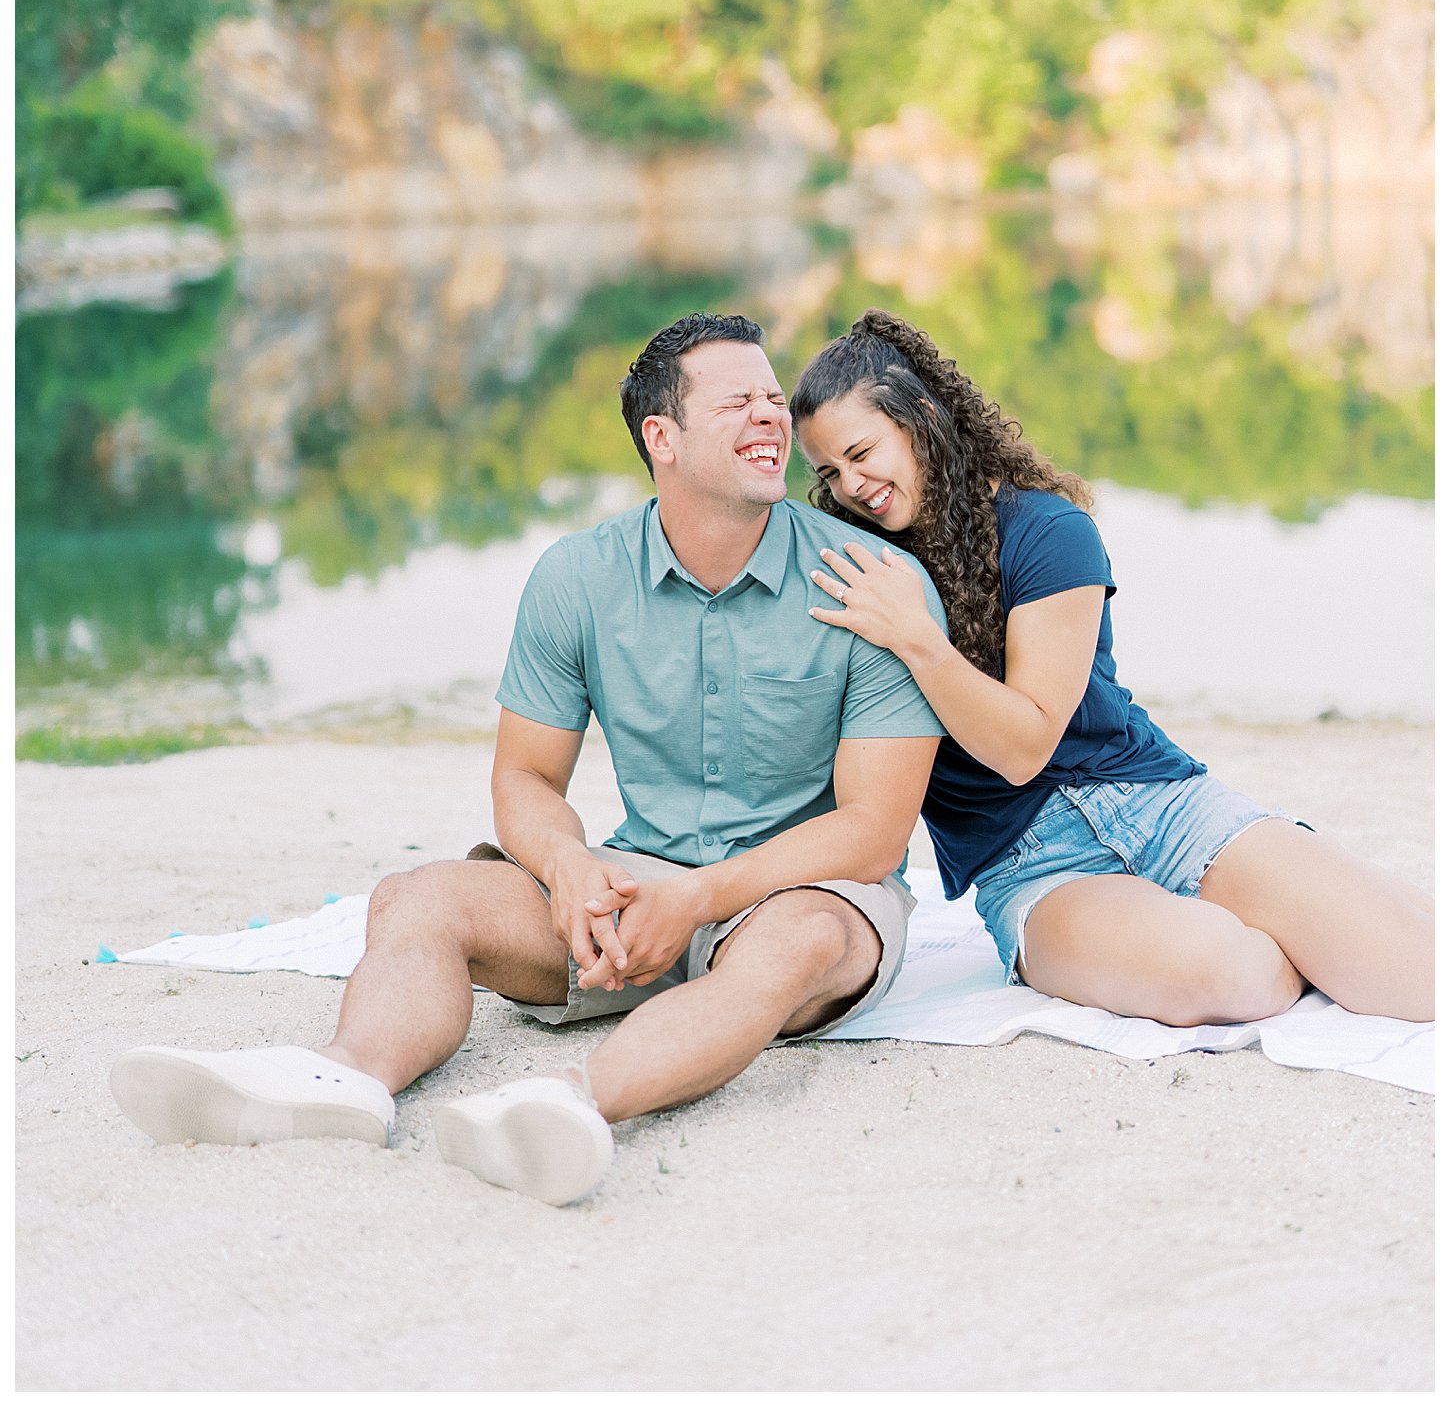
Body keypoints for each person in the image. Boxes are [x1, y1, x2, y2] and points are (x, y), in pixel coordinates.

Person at [110, 313, 949, 1205]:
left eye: (775, 397)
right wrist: (570, 865)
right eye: (738, 400)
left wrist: (700, 897)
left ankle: (571, 1106)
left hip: (807, 891)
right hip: (639, 882)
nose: (772, 417)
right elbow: (525, 780)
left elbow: (872, 830)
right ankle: (345, 1078)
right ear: (660, 437)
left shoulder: (869, 580)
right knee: (418, 897)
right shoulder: (578, 578)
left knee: (795, 941)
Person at [789, 308, 1433, 1028]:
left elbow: (1025, 740)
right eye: (829, 472)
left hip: (1159, 802)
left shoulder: (1048, 532)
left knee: (1416, 975)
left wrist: (919, 638)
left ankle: (1330, 894)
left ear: (922, 416)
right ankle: (1305, 905)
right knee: (1235, 974)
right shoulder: (862, 576)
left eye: (862, 451)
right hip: (1031, 866)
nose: (851, 485)